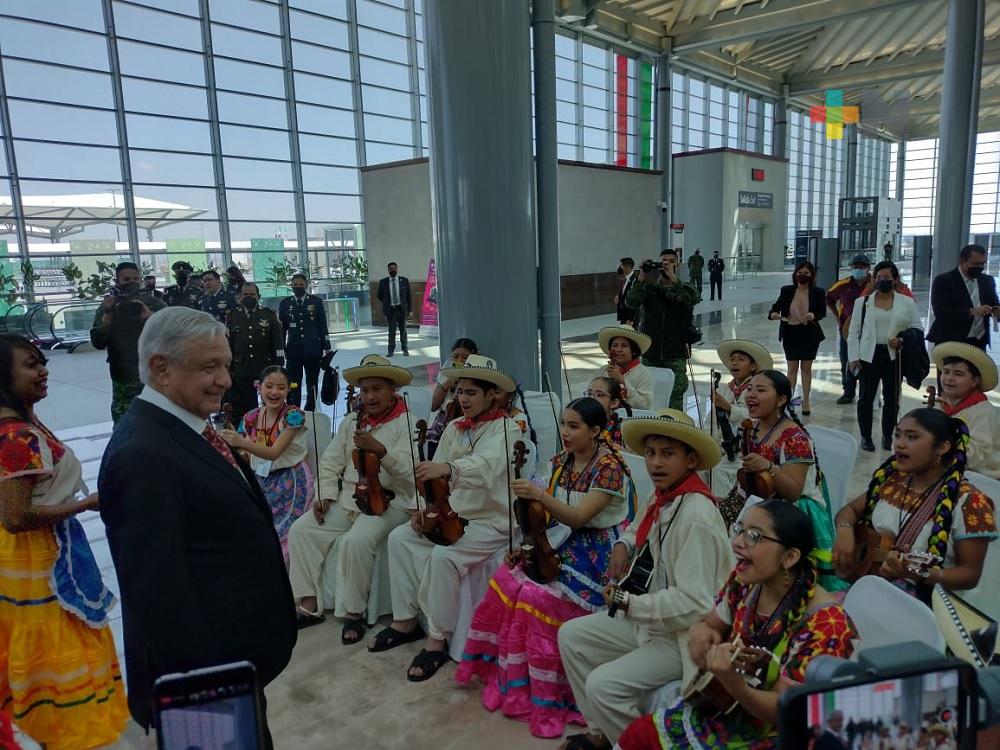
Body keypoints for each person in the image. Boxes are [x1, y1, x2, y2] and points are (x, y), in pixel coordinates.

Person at [98, 307, 296, 742]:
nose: (226, 380)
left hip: (233, 665)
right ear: (160, 368)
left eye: (225, 364)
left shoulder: (187, 429)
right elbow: (156, 594)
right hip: (206, 682)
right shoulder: (142, 454)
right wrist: (214, 693)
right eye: (210, 367)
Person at [455, 397, 634, 738]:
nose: (565, 432)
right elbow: (546, 520)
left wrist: (539, 494)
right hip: (560, 540)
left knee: (536, 598)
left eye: (574, 426)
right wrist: (526, 546)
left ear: (596, 431)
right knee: (507, 579)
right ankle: (514, 682)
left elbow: (579, 516)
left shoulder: (610, 468)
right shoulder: (562, 462)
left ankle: (553, 694)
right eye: (564, 424)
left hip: (597, 552)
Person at [614, 501, 857, 750]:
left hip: (778, 735)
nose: (738, 542)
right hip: (729, 711)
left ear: (790, 557)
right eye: (739, 530)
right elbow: (711, 624)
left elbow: (785, 710)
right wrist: (702, 636)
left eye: (753, 536)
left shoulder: (826, 623)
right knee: (637, 736)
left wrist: (734, 684)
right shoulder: (745, 583)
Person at [557, 412, 732, 750]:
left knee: (601, 686)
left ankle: (644, 744)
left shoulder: (695, 515)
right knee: (571, 636)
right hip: (649, 620)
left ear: (691, 459)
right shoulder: (664, 494)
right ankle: (603, 735)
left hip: (682, 635)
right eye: (651, 453)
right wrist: (623, 544)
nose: (655, 462)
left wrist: (629, 603)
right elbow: (638, 525)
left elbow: (696, 603)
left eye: (668, 453)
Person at [0, 335, 128, 747]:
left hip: (31, 557)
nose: (44, 371)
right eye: (31, 365)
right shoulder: (17, 436)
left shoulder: (20, 424)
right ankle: (68, 730)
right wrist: (86, 503)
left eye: (42, 362)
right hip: (39, 564)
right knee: (58, 646)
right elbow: (17, 517)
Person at [368, 354, 521, 682]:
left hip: (491, 522)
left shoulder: (509, 430)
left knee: (443, 557)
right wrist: (421, 510)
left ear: (492, 394)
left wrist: (450, 469)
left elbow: (487, 465)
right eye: (459, 392)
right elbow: (430, 473)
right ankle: (405, 621)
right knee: (399, 538)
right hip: (452, 514)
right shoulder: (453, 427)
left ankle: (437, 640)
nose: (462, 399)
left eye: (470, 393)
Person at [287, 354, 415, 641]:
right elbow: (331, 461)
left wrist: (382, 450)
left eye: (377, 389)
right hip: (349, 497)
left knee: (356, 542)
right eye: (365, 390)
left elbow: (410, 475)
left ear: (392, 389)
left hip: (389, 502)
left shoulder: (408, 423)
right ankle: (308, 604)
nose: (369, 397)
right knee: (301, 530)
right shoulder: (351, 422)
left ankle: (354, 614)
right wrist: (324, 494)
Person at [833, 408, 996, 601]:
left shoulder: (970, 503)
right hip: (873, 584)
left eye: (912, 437)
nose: (899, 444)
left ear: (942, 447)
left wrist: (919, 573)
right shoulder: (894, 479)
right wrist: (845, 531)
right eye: (898, 435)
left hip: (923, 605)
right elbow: (850, 510)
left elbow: (969, 575)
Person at [730, 370, 845, 592]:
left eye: (761, 390)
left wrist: (769, 466)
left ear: (781, 400)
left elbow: (793, 491)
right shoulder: (752, 428)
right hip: (761, 501)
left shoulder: (794, 438)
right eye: (750, 389)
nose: (751, 395)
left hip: (792, 509)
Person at [220, 365, 312, 563]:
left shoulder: (294, 416)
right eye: (269, 386)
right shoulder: (252, 416)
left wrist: (242, 443)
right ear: (258, 388)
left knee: (281, 538)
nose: (274, 392)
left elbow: (273, 453)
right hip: (261, 480)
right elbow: (245, 454)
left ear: (289, 389)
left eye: (281, 387)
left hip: (292, 481)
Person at [847, 261, 923, 453]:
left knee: (892, 398)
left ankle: (888, 435)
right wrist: (853, 357)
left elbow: (917, 328)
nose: (882, 281)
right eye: (879, 278)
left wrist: (902, 339)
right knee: (865, 398)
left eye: (887, 278)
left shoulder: (906, 302)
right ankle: (866, 436)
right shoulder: (862, 303)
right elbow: (853, 332)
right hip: (868, 355)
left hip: (893, 356)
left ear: (895, 280)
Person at [90, 260, 166, 423]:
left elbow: (173, 332)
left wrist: (150, 316)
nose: (131, 283)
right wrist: (108, 314)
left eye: (135, 279)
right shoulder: (108, 307)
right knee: (124, 426)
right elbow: (98, 342)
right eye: (126, 280)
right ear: (117, 282)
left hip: (155, 375)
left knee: (158, 423)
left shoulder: (154, 303)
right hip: (123, 378)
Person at [709, 339, 773, 528]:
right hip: (721, 447)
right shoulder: (723, 389)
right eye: (732, 359)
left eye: (741, 359)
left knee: (719, 472)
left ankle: (720, 521)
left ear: (753, 365)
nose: (734, 363)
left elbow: (754, 419)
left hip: (743, 453)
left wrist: (728, 407)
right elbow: (711, 421)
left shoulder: (755, 391)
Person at [626, 249, 699, 410]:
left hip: (675, 353)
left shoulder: (685, 288)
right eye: (663, 261)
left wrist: (673, 278)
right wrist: (642, 275)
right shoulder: (649, 288)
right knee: (650, 393)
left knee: (675, 395)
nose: (667, 264)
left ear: (677, 264)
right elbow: (631, 302)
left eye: (671, 261)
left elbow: (692, 299)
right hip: (651, 352)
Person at [931, 342, 1000, 479]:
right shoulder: (943, 406)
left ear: (975, 381)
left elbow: (984, 458)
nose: (949, 378)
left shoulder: (984, 413)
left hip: (977, 483)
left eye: (958, 374)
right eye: (946, 372)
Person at [769, 260, 826, 415]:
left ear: (812, 276)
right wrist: (773, 314)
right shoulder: (787, 290)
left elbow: (822, 312)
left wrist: (813, 315)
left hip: (809, 334)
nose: (802, 276)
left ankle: (806, 401)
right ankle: (788, 400)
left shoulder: (818, 292)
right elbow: (776, 307)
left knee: (806, 369)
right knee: (792, 369)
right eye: (800, 273)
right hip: (790, 333)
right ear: (795, 275)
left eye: (806, 274)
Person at [227, 282, 284, 425]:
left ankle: (270, 429)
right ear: (239, 297)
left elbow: (278, 342)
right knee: (247, 406)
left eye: (251, 294)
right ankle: (249, 433)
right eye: (245, 294)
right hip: (242, 368)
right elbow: (229, 344)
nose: (248, 297)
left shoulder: (269, 315)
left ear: (258, 296)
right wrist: (229, 367)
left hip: (264, 367)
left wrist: (279, 366)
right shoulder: (233, 316)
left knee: (270, 403)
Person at [926, 244, 1000, 350]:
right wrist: (971, 311)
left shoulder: (987, 281)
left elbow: (995, 304)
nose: (979, 268)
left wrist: (997, 311)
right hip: (951, 341)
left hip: (979, 342)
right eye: (975, 264)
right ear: (962, 261)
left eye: (982, 264)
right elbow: (941, 312)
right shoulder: (944, 281)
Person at [279, 273, 332, 410]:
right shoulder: (285, 304)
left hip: (313, 349)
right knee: (294, 383)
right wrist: (282, 348)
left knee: (312, 383)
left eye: (301, 285)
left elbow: (322, 325)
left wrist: (327, 347)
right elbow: (282, 329)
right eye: (295, 285)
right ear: (291, 286)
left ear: (306, 285)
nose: (298, 287)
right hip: (293, 351)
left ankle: (310, 410)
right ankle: (293, 409)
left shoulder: (315, 302)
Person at [826, 254, 873, 405]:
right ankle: (848, 391)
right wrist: (837, 317)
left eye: (862, 267)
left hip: (870, 330)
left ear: (868, 268)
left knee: (869, 359)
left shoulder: (874, 284)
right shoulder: (843, 284)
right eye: (856, 267)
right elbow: (828, 298)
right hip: (847, 329)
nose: (858, 269)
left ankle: (867, 392)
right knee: (847, 359)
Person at [427, 338, 479, 458]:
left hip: (464, 428)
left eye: (465, 357)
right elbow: (434, 406)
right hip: (441, 426)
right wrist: (447, 384)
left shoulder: (477, 380)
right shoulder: (447, 374)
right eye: (455, 357)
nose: (459, 361)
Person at [594, 325, 654, 410]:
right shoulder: (602, 371)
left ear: (633, 351)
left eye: (624, 345)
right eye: (615, 345)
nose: (618, 349)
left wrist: (622, 381)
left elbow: (644, 406)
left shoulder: (644, 373)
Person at [376, 261, 412, 357]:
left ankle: (405, 349)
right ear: (388, 270)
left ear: (397, 269)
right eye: (391, 269)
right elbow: (379, 296)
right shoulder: (383, 282)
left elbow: (409, 296)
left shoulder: (404, 281)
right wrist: (387, 303)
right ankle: (390, 351)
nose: (392, 270)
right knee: (391, 331)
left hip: (401, 309)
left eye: (394, 268)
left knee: (403, 331)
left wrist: (410, 310)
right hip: (390, 310)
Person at [586, 375, 630, 446]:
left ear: (614, 403)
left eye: (599, 395)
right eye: (589, 394)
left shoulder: (623, 430)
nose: (592, 398)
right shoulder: (582, 425)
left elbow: (631, 456)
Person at [616, 257, 638, 325]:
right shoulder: (625, 279)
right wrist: (619, 297)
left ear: (627, 267)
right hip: (623, 315)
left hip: (630, 318)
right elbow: (625, 294)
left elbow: (635, 301)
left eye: (622, 265)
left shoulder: (635, 281)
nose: (620, 267)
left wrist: (631, 318)